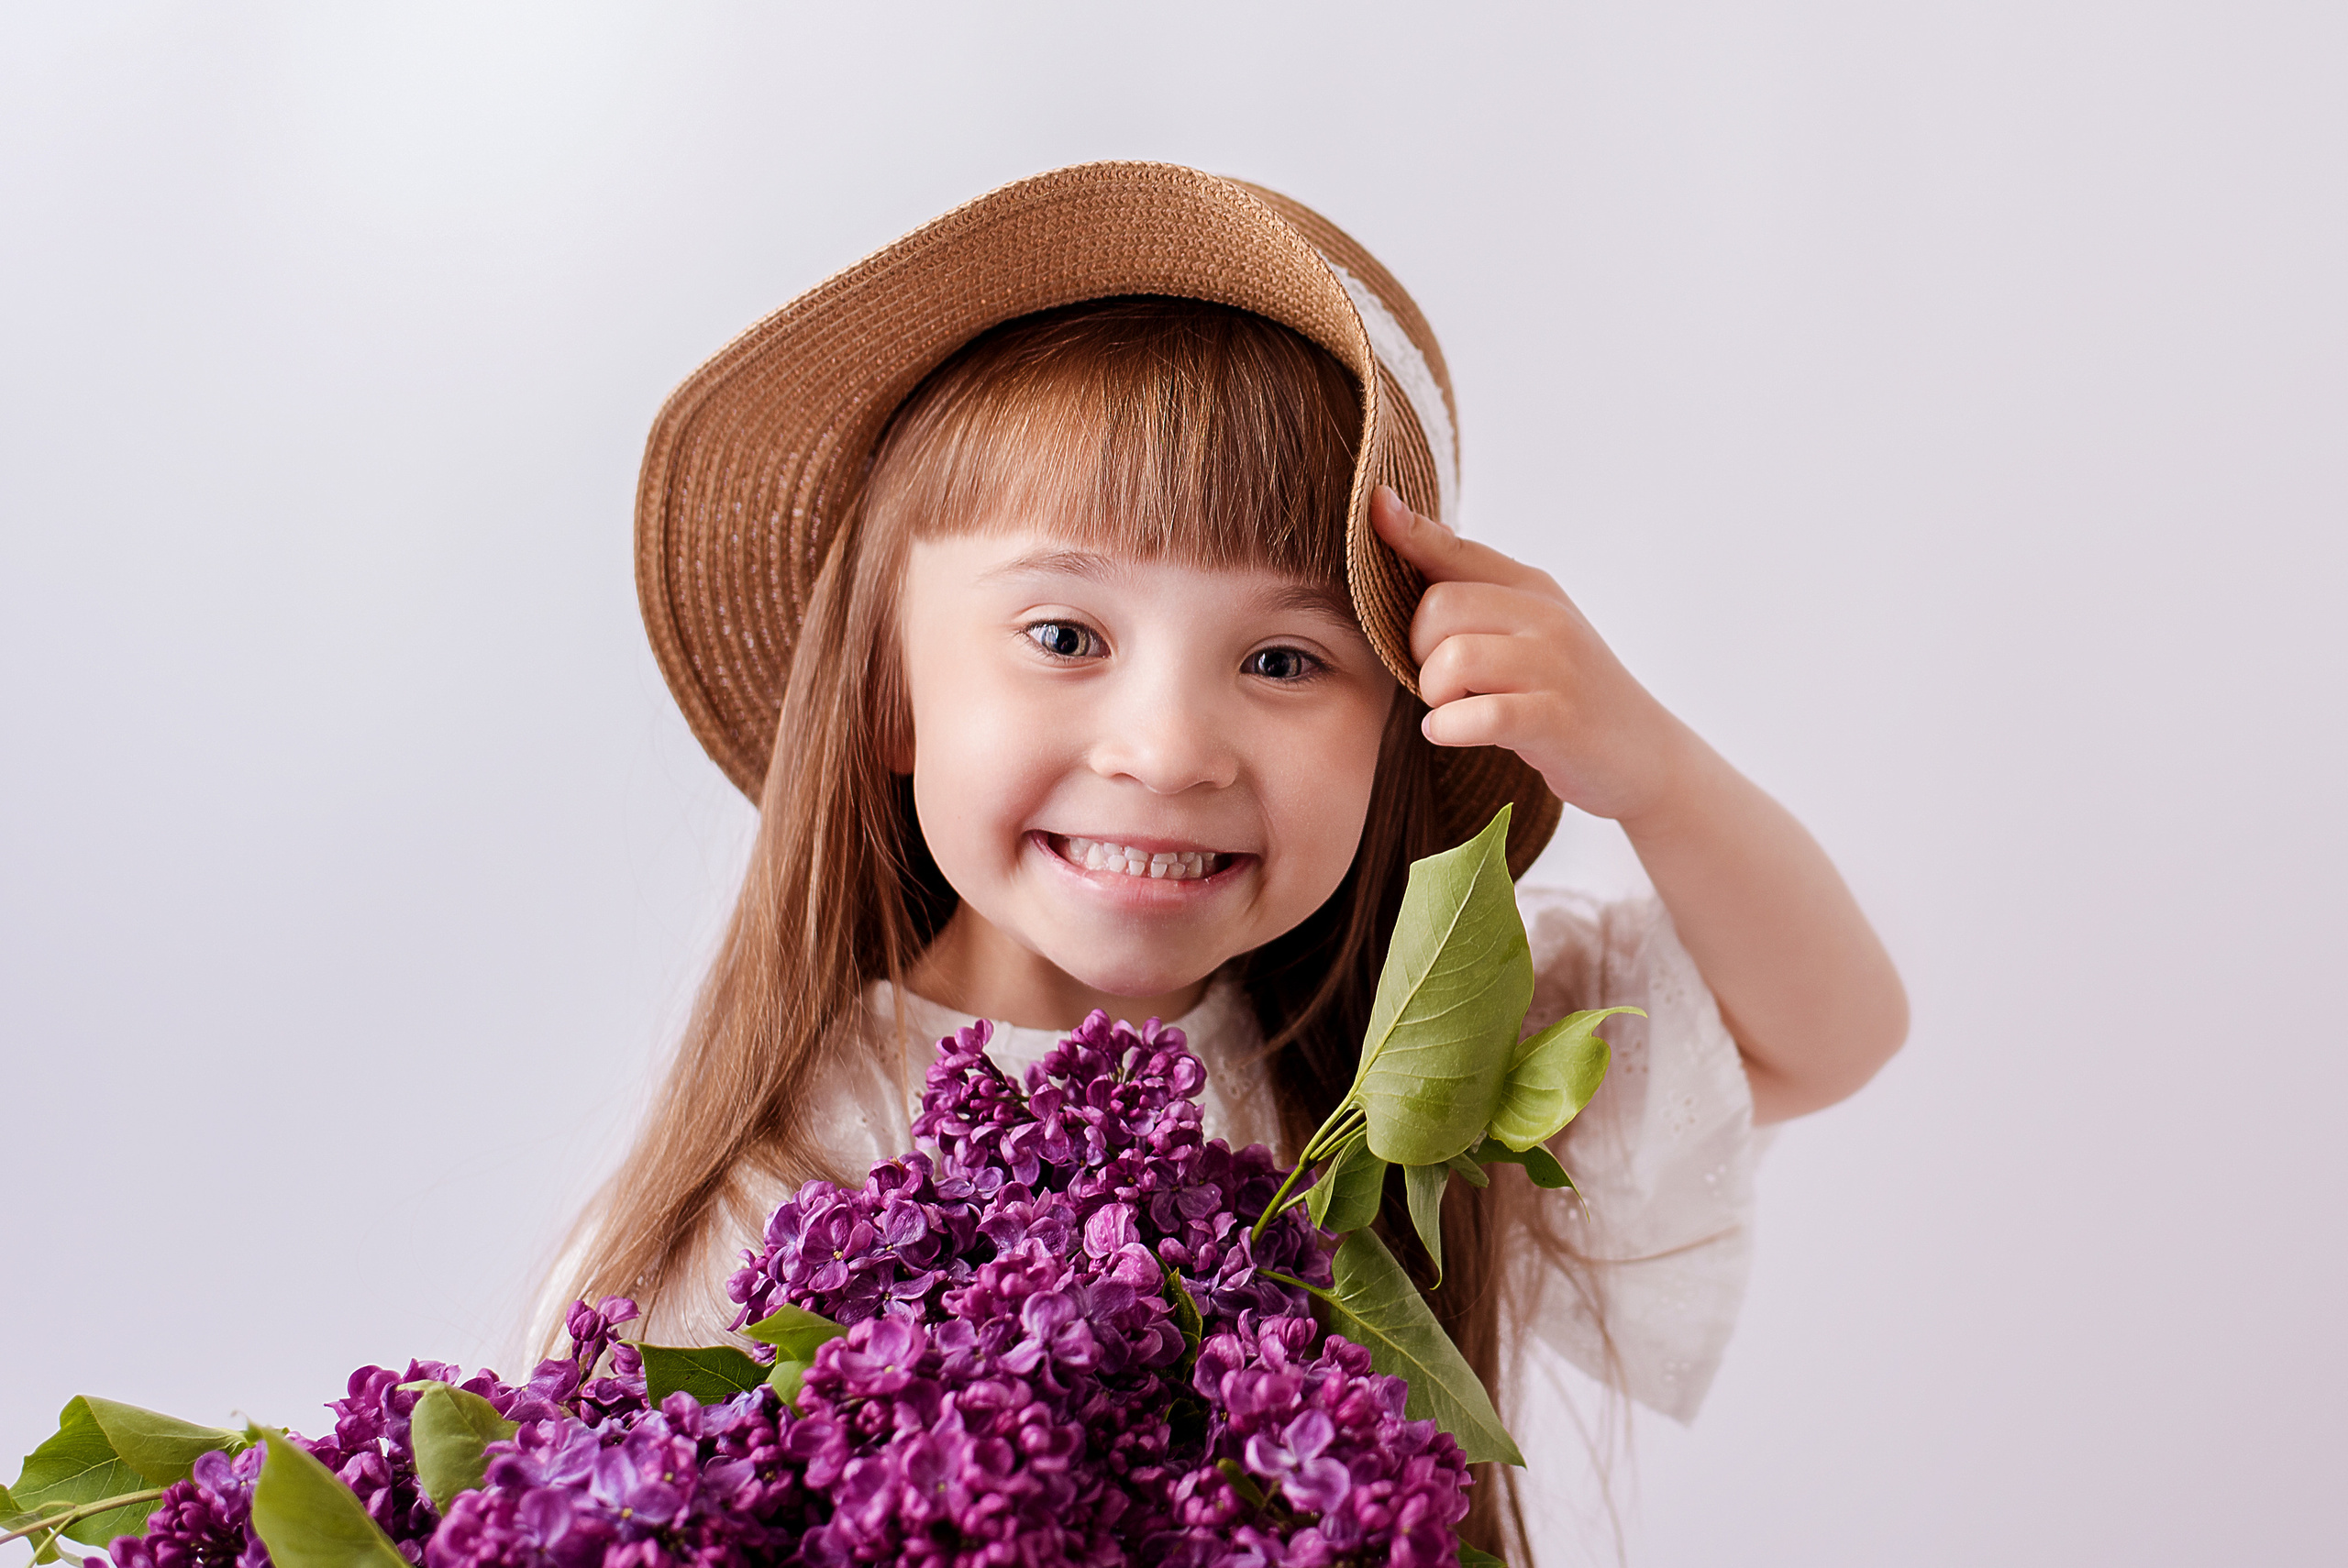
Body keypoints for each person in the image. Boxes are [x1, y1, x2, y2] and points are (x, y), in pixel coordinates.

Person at [555, 162, 1907, 1560]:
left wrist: (1655, 771)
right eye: (1065, 636)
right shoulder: (779, 1197)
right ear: (889, 697)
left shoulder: (1393, 1083)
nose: (1169, 748)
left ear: (1392, 736)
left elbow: (1825, 1033)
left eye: (1282, 658)